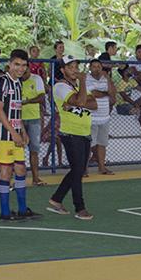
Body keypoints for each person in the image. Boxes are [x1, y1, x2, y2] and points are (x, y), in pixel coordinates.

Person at [0, 50, 40, 222]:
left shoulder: (18, 83)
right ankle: (5, 212)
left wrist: (23, 131)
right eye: (17, 64)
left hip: (16, 134)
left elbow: (17, 111)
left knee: (20, 169)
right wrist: (13, 132)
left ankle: (21, 209)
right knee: (5, 171)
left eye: (24, 65)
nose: (20, 68)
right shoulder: (2, 81)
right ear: (10, 64)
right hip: (3, 135)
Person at [48, 55, 96, 219]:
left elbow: (93, 104)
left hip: (84, 132)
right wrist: (82, 87)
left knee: (79, 170)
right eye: (71, 67)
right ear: (62, 70)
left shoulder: (77, 86)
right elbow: (83, 102)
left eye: (76, 66)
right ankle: (79, 207)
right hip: (71, 132)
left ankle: (56, 199)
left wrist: (78, 100)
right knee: (77, 170)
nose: (75, 70)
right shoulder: (60, 87)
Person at [86, 55, 117, 175]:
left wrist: (108, 79)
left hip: (104, 117)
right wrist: (106, 93)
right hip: (91, 118)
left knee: (102, 144)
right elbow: (93, 94)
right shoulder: (86, 79)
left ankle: (102, 167)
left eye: (99, 66)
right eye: (94, 66)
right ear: (90, 68)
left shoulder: (105, 79)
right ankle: (84, 169)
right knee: (88, 145)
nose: (96, 69)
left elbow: (113, 95)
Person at [20, 62, 48, 186]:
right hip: (17, 120)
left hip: (34, 118)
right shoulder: (15, 80)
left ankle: (36, 178)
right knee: (18, 150)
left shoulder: (36, 79)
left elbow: (42, 97)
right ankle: (18, 178)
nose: (23, 71)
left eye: (25, 68)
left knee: (34, 150)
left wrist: (27, 102)